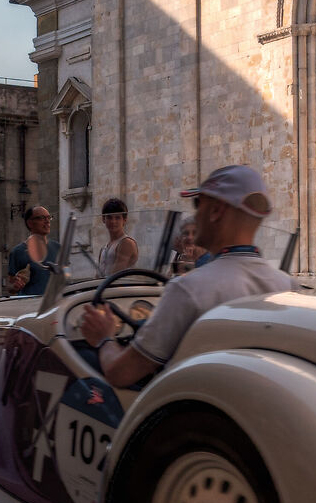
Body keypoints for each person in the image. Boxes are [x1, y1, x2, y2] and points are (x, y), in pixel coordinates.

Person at [81, 165, 293, 385]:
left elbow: (120, 373)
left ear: (216, 211)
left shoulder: (189, 289)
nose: (195, 215)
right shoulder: (287, 286)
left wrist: (104, 337)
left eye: (197, 204)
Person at [7, 205, 57, 297]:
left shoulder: (58, 248)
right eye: (42, 218)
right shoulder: (18, 252)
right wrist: (15, 286)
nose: (47, 221)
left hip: (55, 305)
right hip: (31, 306)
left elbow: (67, 277)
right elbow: (10, 286)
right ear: (30, 223)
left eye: (49, 217)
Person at [96, 198, 139, 280]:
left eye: (117, 218)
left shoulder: (127, 243)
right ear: (103, 219)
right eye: (109, 217)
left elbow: (115, 276)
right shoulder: (103, 248)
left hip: (120, 291)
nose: (113, 221)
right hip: (105, 290)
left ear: (124, 220)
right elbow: (97, 276)